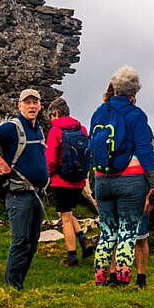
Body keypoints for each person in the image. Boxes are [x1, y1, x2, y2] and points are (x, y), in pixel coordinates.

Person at [89, 66, 154, 287]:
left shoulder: (99, 112)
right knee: (128, 232)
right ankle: (122, 279)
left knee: (107, 231)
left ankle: (101, 278)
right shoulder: (136, 115)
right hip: (130, 181)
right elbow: (144, 149)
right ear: (134, 92)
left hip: (102, 180)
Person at [0, 88, 50, 290]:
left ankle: (18, 285)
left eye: (35, 102)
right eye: (27, 103)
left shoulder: (38, 129)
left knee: (32, 244)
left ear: (40, 105)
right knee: (20, 242)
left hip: (36, 194)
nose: (32, 106)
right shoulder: (12, 128)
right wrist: (1, 162)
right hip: (18, 194)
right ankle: (10, 289)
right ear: (19, 106)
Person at [45, 97, 93, 267]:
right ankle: (82, 239)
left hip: (61, 180)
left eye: (51, 116)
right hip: (79, 180)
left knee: (65, 217)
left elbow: (50, 159)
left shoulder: (55, 131)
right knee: (66, 212)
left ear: (56, 114)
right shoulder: (82, 129)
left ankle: (72, 257)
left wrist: (49, 175)